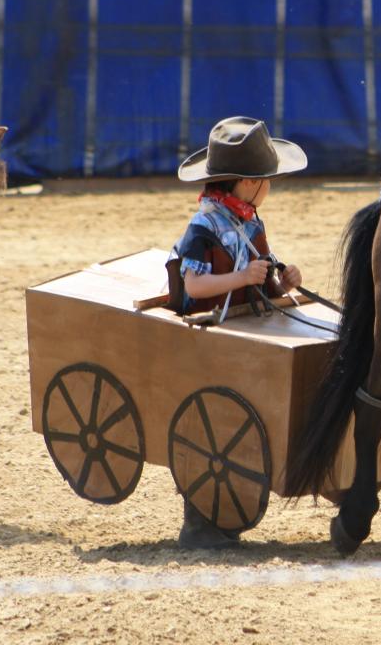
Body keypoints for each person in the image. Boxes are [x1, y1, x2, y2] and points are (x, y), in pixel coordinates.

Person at [165, 115, 307, 547]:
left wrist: (282, 283)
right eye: (267, 179)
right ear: (247, 183)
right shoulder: (203, 227)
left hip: (242, 325)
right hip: (208, 333)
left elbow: (264, 282)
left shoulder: (251, 221)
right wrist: (242, 279)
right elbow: (193, 286)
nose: (270, 186)